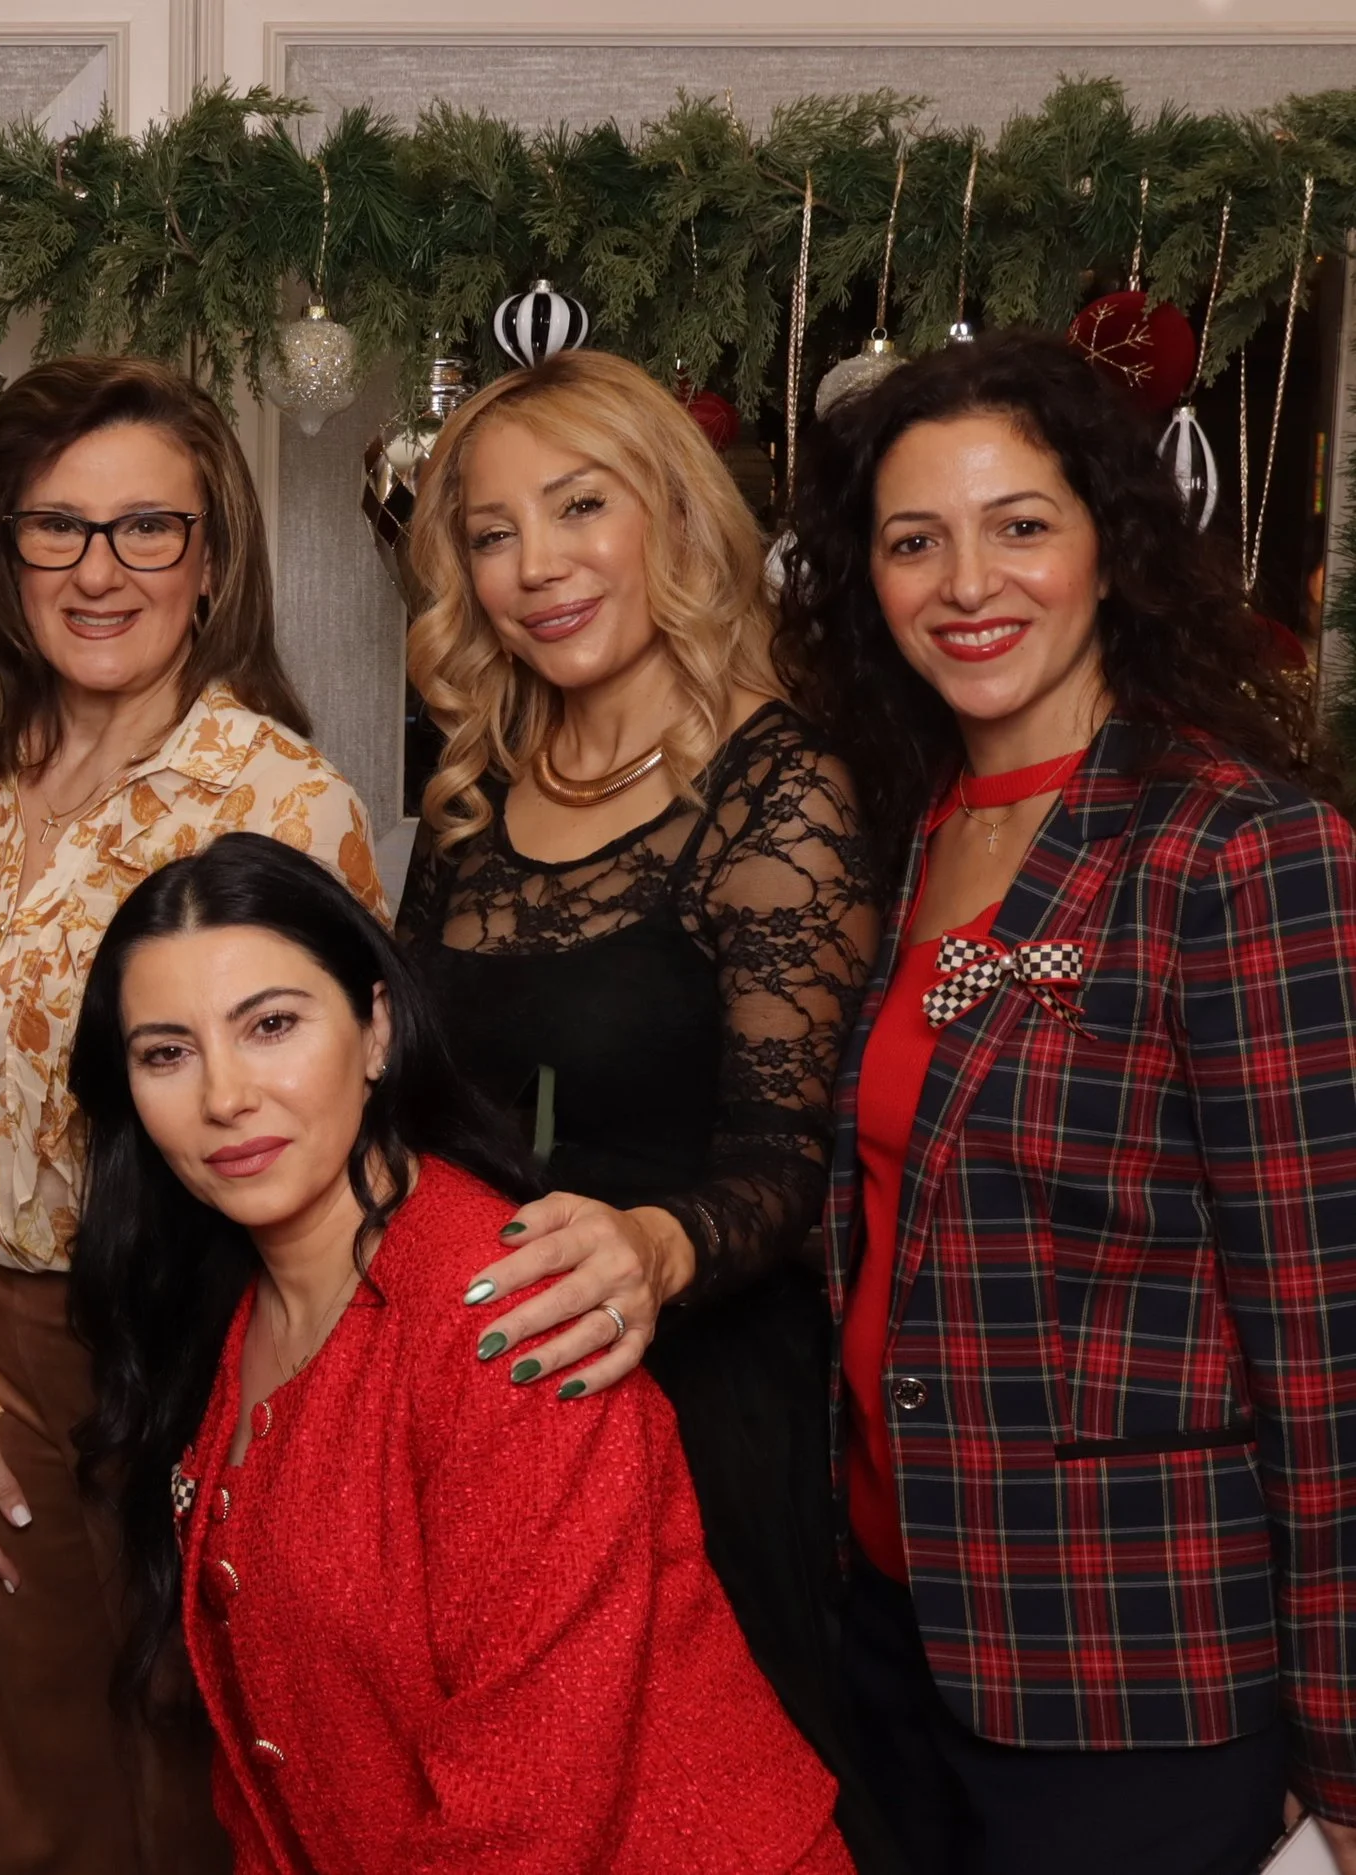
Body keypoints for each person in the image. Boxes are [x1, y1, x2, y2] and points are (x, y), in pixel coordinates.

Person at [779, 330, 1356, 1875]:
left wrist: (1351, 1759)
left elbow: (1329, 1327)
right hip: (904, 1633)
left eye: (1021, 524)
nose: (969, 582)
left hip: (1134, 1667)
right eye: (917, 540)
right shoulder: (922, 831)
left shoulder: (1238, 849)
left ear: (1112, 543)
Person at [65, 830, 851, 1873]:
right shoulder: (228, 1309)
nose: (222, 1097)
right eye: (166, 1052)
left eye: (271, 1026)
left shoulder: (506, 1318)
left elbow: (530, 1806)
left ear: (377, 1029)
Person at [0, 354, 384, 1873]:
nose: (102, 571)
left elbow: (343, 1122)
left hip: (199, 1329)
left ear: (209, 559)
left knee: (201, 1759)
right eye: (58, 527)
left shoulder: (275, 799)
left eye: (148, 528)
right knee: (31, 1772)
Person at [393, 348, 882, 1847]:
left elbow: (797, 1167)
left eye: (578, 505)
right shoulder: (471, 790)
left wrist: (655, 1246)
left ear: (669, 512)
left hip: (697, 1409)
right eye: (489, 530)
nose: (535, 565)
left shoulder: (780, 788)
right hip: (487, 1404)